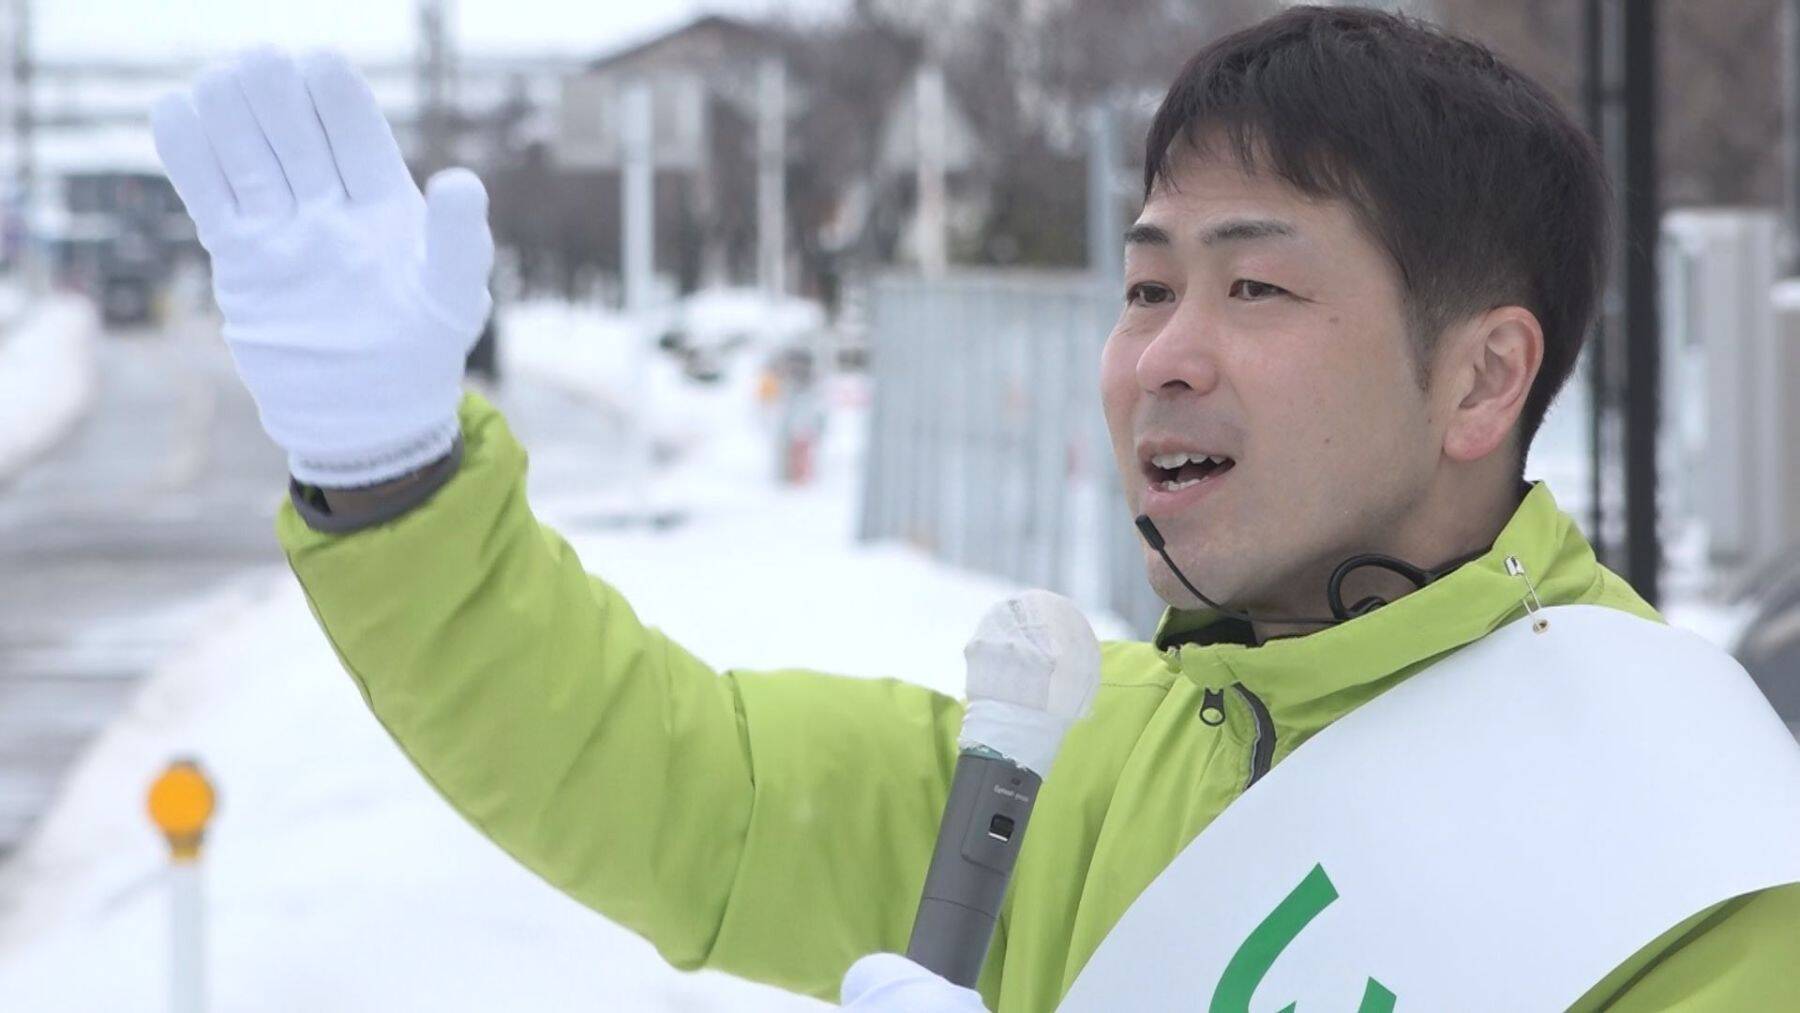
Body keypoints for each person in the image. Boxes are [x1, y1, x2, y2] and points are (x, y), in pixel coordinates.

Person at [150, 6, 1800, 1010]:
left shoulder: (1694, 864)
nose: (1165, 354)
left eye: (1257, 289)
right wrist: (390, 470)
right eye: (1146, 284)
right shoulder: (1077, 766)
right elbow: (668, 778)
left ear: (1480, 378)